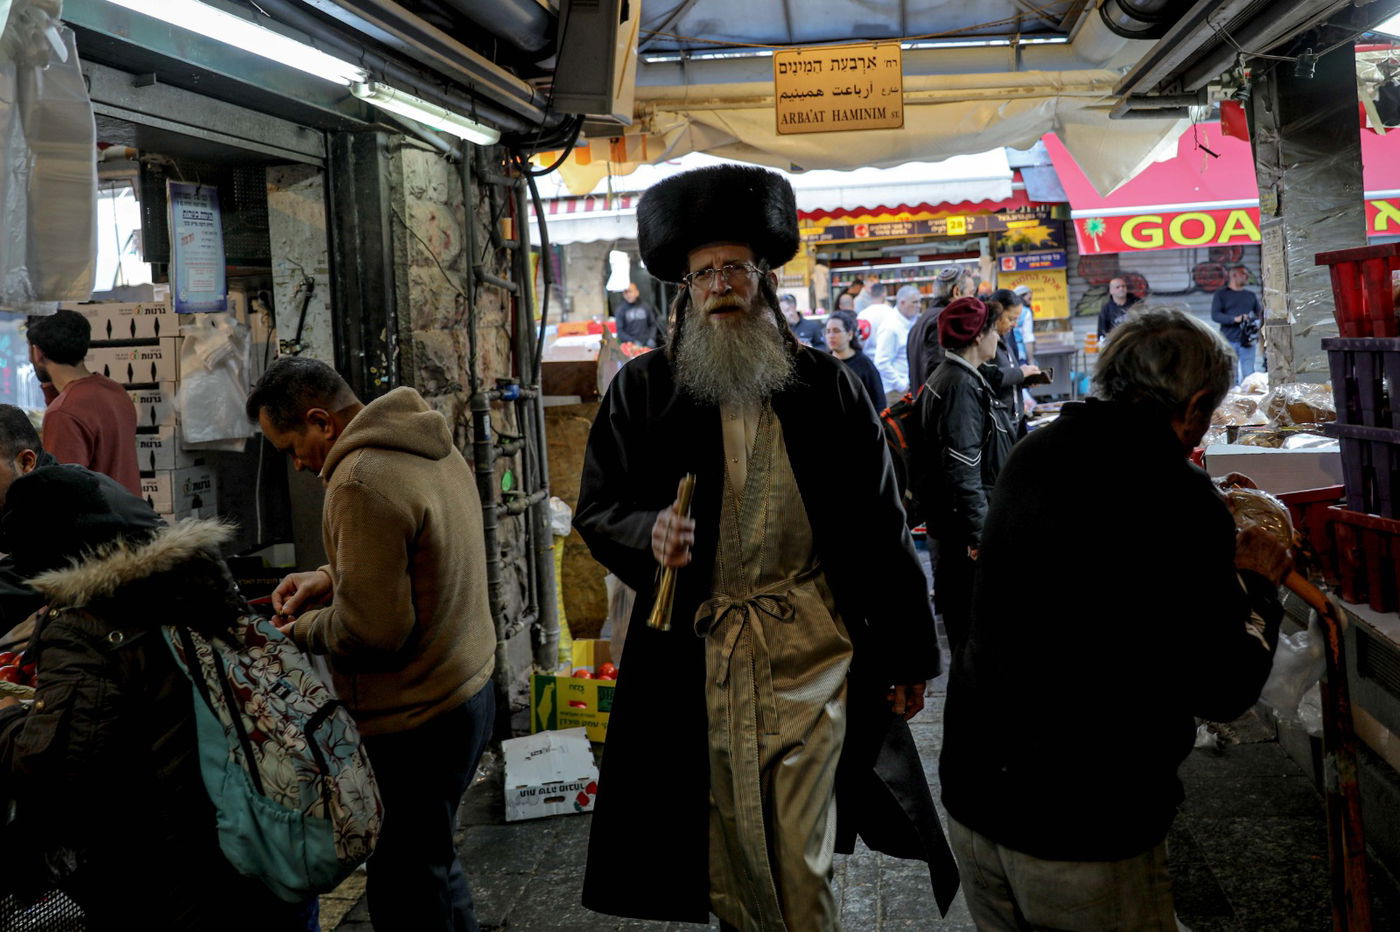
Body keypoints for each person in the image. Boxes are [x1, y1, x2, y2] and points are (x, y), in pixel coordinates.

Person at [576, 163, 956, 929]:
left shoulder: (827, 386)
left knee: (802, 857)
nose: (721, 284)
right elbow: (599, 507)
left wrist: (912, 651)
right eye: (705, 271)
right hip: (698, 658)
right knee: (727, 861)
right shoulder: (644, 392)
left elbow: (883, 525)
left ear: (764, 282)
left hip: (812, 655)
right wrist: (646, 532)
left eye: (736, 269)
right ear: (686, 288)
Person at [940, 308, 1292, 930]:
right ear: (1196, 403)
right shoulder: (1178, 499)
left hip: (974, 802)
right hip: (1081, 824)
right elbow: (1222, 690)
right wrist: (1260, 588)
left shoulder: (1033, 452)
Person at [0, 466, 310, 930]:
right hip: (256, 837)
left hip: (168, 871)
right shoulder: (199, 581)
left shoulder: (88, 625)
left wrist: (6, 718)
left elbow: (53, 764)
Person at [246, 357, 496, 931]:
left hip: (419, 718)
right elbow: (416, 549)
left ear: (321, 422)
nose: (301, 465)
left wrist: (297, 629)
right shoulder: (422, 440)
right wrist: (330, 577)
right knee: (433, 865)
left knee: (407, 889)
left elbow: (374, 632)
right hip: (463, 693)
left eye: (291, 448)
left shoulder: (357, 479)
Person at [910, 296, 1013, 658]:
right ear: (977, 336)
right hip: (961, 538)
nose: (998, 339)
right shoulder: (959, 386)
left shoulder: (960, 377)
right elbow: (963, 468)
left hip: (956, 530)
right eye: (993, 331)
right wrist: (981, 535)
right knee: (974, 643)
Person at [25, 309, 139, 495]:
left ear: (37, 353)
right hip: (130, 517)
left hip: (98, 522)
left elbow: (63, 492)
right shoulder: (115, 391)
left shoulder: (64, 412)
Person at [980, 290, 1042, 437]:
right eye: (1010, 319)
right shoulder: (985, 343)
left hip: (1015, 419)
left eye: (1017, 320)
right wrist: (1021, 373)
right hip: (1000, 423)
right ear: (997, 313)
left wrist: (1025, 379)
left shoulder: (1006, 338)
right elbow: (990, 375)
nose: (1014, 324)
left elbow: (1007, 372)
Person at [907, 266, 962, 390]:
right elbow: (938, 372)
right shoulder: (943, 321)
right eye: (971, 292)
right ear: (956, 292)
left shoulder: (923, 319)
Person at [1211, 265, 1264, 384]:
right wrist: (1235, 319)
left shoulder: (1250, 295)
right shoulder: (1221, 294)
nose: (1247, 276)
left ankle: (1249, 401)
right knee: (1230, 376)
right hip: (1228, 340)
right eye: (1243, 274)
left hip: (1247, 341)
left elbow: (1260, 314)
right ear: (1234, 275)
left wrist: (1252, 321)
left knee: (1249, 375)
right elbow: (1215, 315)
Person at [872, 285, 921, 406]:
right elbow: (881, 361)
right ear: (902, 303)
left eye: (919, 301)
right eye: (915, 302)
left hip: (908, 388)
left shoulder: (911, 322)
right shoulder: (890, 327)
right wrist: (900, 384)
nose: (919, 306)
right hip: (896, 392)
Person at [825, 309, 884, 405]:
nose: (831, 336)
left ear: (850, 335)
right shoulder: (823, 363)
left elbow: (878, 401)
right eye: (828, 331)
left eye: (836, 331)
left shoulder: (865, 365)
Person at [614, 281, 665, 349]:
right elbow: (620, 332)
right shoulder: (620, 310)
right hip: (631, 346)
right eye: (625, 292)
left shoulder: (645, 306)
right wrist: (633, 341)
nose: (628, 294)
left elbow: (653, 324)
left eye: (630, 291)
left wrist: (651, 339)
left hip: (647, 344)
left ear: (637, 292)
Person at [1097, 276, 1140, 342]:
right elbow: (1102, 332)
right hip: (1116, 344)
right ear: (1111, 291)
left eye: (1123, 286)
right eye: (1117, 287)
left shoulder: (1137, 303)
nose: (1121, 289)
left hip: (1135, 342)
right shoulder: (1106, 309)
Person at [855, 281, 892, 349]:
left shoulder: (862, 314)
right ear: (884, 293)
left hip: (867, 356)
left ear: (871, 294)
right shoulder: (891, 313)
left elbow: (859, 338)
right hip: (887, 355)